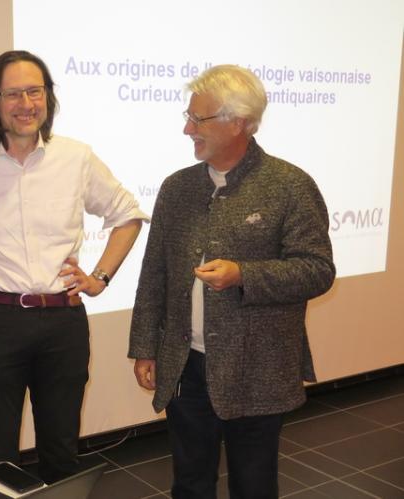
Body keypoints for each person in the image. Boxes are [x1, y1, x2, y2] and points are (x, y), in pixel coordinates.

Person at [0, 50, 147, 483]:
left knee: (61, 448)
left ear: (48, 97)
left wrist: (99, 279)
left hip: (63, 320)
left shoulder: (75, 158)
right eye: (13, 93)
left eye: (35, 91)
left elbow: (127, 215)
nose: (26, 103)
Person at [128, 64, 335, 498]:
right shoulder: (176, 188)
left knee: (254, 484)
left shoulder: (290, 186)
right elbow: (154, 276)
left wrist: (245, 275)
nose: (187, 129)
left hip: (258, 366)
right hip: (186, 363)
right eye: (188, 117)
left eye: (197, 119)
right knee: (190, 482)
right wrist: (145, 347)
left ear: (239, 122)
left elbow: (317, 269)